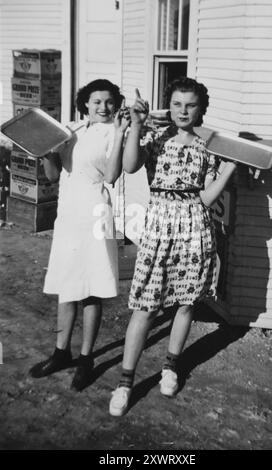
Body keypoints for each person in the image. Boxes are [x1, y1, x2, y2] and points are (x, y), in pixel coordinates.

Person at [109, 77, 238, 416]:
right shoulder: (155, 136)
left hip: (194, 227)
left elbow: (206, 198)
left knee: (185, 303)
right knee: (146, 305)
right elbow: (129, 165)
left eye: (190, 105)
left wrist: (230, 168)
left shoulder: (209, 146)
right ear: (170, 106)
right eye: (177, 104)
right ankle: (125, 382)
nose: (183, 110)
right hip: (159, 227)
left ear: (200, 108)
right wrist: (136, 125)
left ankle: (170, 366)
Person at [30, 79, 130, 391]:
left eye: (109, 101)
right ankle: (61, 353)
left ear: (116, 104)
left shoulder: (116, 133)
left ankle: (86, 359)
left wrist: (121, 132)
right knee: (67, 285)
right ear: (85, 103)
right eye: (96, 101)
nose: (103, 107)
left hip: (96, 213)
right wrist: (48, 152)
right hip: (69, 216)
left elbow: (113, 176)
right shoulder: (69, 130)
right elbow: (53, 174)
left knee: (91, 289)